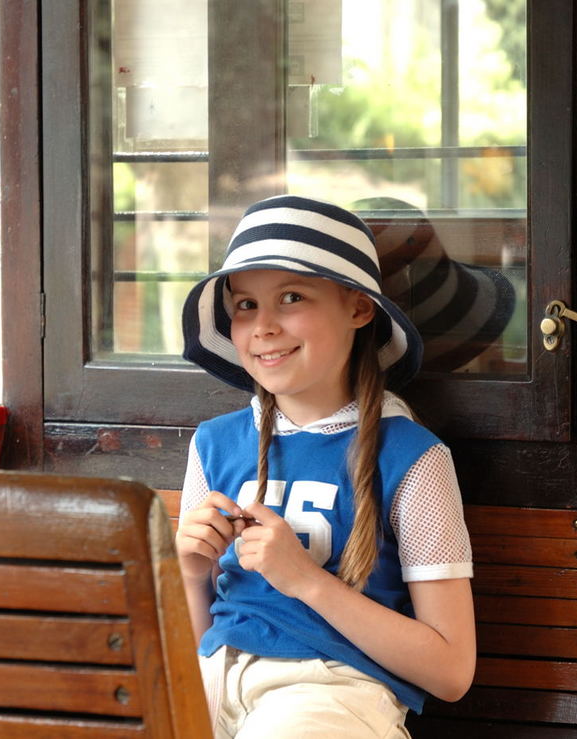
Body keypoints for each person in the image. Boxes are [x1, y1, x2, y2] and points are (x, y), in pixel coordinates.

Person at [177, 195, 476, 738]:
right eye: (245, 305)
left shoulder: (412, 457)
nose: (262, 326)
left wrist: (306, 581)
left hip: (333, 694)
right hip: (210, 682)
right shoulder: (212, 445)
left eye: (291, 298)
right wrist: (190, 572)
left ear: (359, 310)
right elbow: (195, 640)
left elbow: (452, 671)